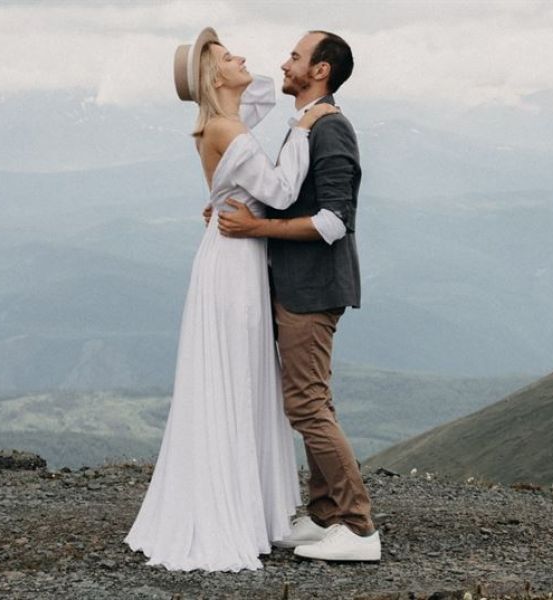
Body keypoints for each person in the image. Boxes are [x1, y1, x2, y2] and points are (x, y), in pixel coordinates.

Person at [124, 27, 338, 572]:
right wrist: (304, 122)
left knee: (241, 376)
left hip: (235, 256)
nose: (245, 56)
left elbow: (261, 90)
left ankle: (249, 507)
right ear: (214, 76)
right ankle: (231, 510)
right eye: (228, 55)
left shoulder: (223, 121)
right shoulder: (224, 126)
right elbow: (284, 192)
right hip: (234, 263)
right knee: (236, 376)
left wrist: (222, 76)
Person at [216, 30, 379, 562]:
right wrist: (242, 208)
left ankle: (358, 529)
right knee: (312, 400)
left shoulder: (330, 130)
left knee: (306, 406)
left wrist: (254, 231)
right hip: (299, 285)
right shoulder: (307, 125)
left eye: (294, 57)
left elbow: (334, 221)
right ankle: (326, 515)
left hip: (313, 289)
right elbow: (289, 198)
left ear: (321, 71)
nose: (283, 63)